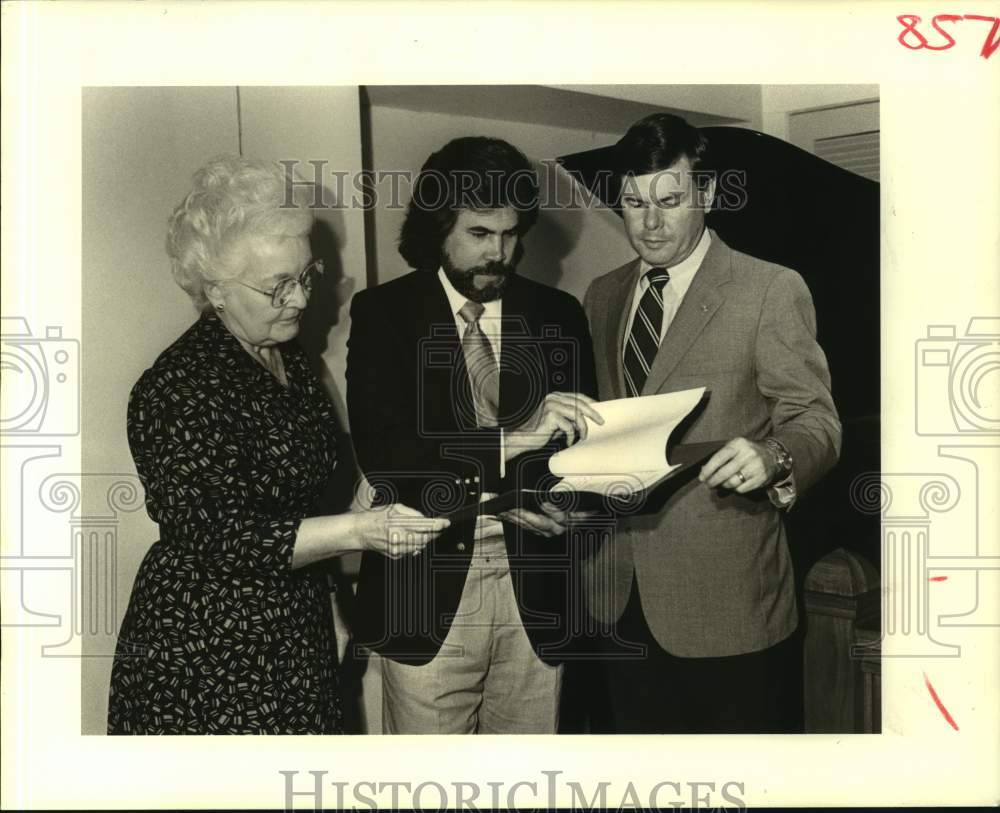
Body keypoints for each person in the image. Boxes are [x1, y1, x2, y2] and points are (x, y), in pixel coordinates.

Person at [107, 155, 448, 735]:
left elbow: (293, 501)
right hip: (208, 646)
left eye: (306, 275)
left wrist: (349, 524)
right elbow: (225, 539)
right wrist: (357, 532)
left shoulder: (287, 357)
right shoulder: (175, 388)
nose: (299, 299)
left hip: (294, 623)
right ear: (214, 290)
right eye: (276, 286)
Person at [581, 113, 842, 733]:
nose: (648, 223)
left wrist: (775, 455)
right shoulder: (601, 294)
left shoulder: (768, 289)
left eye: (669, 201)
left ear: (708, 195)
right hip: (619, 592)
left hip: (730, 601)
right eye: (633, 202)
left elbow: (818, 421)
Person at [345, 136, 600, 734]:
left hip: (535, 588)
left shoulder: (559, 314)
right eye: (480, 234)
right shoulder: (383, 315)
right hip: (423, 587)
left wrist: (558, 504)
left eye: (511, 234)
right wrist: (514, 443)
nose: (500, 254)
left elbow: (579, 450)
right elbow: (388, 454)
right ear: (439, 229)